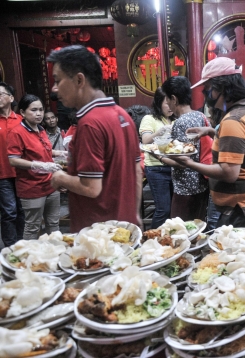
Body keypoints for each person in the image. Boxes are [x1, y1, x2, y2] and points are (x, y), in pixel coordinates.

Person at [167, 57, 245, 231]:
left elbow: (229, 172)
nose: (205, 95)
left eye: (208, 89)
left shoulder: (234, 120)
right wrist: (211, 131)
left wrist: (189, 163)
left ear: (222, 87)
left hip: (244, 209)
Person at [48, 45, 141, 232]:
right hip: (124, 226)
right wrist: (135, 215)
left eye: (58, 80)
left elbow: (91, 188)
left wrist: (60, 178)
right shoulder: (122, 115)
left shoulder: (90, 123)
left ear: (79, 80)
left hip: (98, 234)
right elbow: (137, 171)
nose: (55, 88)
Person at [7, 95, 63, 239]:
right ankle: (27, 259)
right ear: (23, 112)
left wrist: (59, 153)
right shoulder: (17, 132)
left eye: (41, 110)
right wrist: (38, 165)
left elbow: (44, 150)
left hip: (50, 184)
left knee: (54, 224)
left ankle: (54, 256)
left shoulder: (41, 129)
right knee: (33, 227)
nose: (39, 114)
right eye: (34, 110)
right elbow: (13, 160)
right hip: (31, 187)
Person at [159, 76, 209, 221]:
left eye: (167, 100)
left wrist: (159, 155)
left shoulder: (180, 122)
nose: (167, 104)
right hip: (201, 183)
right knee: (197, 226)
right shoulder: (199, 115)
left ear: (174, 99)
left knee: (180, 229)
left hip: (185, 188)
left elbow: (182, 161)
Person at [139, 88, 175, 228]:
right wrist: (158, 133)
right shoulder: (149, 119)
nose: (171, 106)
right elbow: (145, 140)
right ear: (159, 103)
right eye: (167, 103)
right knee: (163, 209)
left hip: (174, 166)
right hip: (156, 168)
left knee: (173, 210)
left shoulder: (175, 119)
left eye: (173, 102)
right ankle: (152, 239)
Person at [0, 82, 25, 246]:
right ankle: (10, 248)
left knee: (22, 211)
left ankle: (21, 244)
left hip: (22, 173)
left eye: (1, 93)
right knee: (9, 212)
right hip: (2, 174)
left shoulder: (22, 120)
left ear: (11, 97)